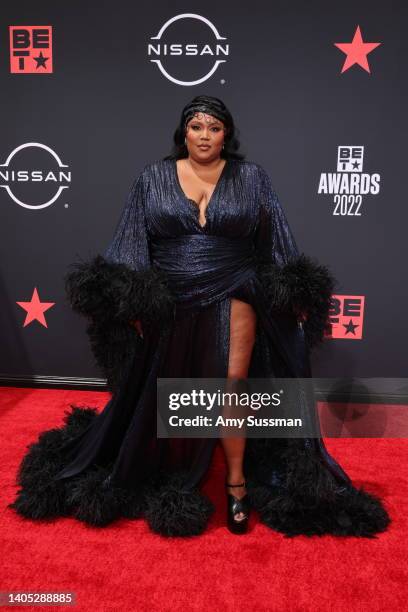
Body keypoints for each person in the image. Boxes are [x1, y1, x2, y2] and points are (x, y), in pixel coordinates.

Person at [9, 95, 390, 538]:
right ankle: (170, 463)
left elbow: (275, 239)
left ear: (227, 133)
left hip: (236, 288)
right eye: (196, 126)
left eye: (214, 127)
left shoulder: (252, 177)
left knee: (231, 387)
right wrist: (134, 298)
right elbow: (133, 239)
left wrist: (291, 297)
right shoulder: (152, 177)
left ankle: (236, 484)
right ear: (183, 132)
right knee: (174, 390)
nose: (204, 135)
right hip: (171, 296)